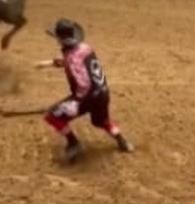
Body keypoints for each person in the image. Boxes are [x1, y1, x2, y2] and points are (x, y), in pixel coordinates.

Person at [40, 19, 134, 162]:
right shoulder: (86, 48)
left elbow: (83, 81)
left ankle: (73, 143)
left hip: (87, 96)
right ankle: (123, 142)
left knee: (51, 116)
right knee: (101, 121)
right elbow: (75, 61)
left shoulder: (71, 58)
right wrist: (51, 63)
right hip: (102, 92)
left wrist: (75, 102)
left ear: (60, 38)